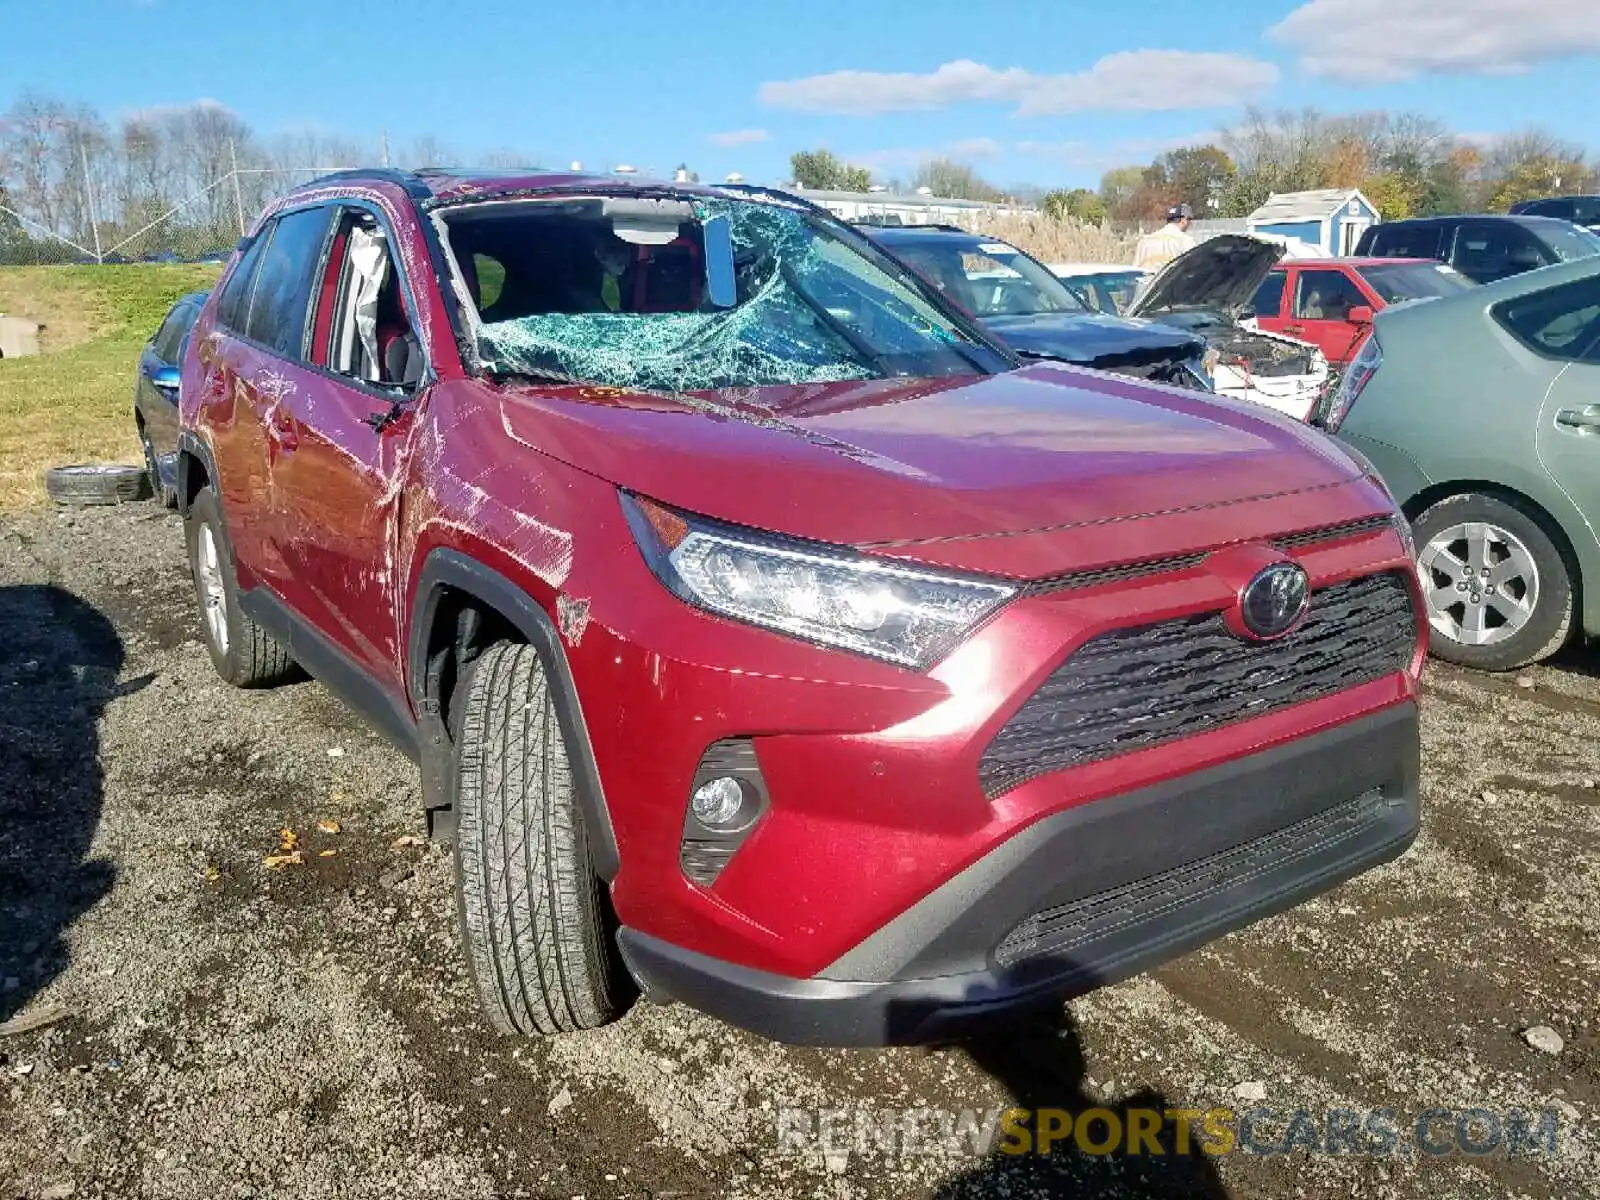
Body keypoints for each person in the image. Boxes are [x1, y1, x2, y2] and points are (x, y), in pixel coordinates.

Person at [1133, 203, 1197, 272]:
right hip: (1171, 282)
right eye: (1190, 220)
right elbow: (1194, 270)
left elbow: (1134, 271)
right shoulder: (1186, 242)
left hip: (1147, 282)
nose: (1190, 223)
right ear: (1184, 220)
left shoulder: (1144, 241)